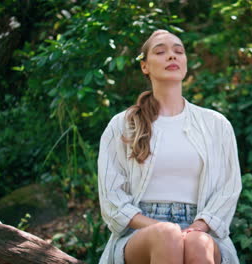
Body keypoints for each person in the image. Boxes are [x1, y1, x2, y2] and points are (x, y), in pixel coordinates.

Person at [97, 29, 242, 264]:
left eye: (178, 51)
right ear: (145, 66)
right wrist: (162, 227)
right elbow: (111, 197)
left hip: (200, 225)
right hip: (139, 231)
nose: (172, 56)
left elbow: (229, 188)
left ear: (185, 62)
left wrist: (198, 226)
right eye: (160, 51)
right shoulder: (123, 125)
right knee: (166, 235)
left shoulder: (216, 125)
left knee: (198, 243)